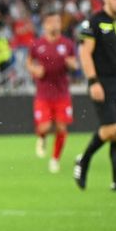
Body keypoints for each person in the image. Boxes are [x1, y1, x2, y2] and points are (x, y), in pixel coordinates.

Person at [73, 0, 116, 192]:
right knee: (110, 129)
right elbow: (84, 53)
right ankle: (84, 159)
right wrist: (93, 81)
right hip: (103, 82)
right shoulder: (95, 22)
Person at [27, 11, 77, 173]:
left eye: (57, 21)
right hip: (43, 94)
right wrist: (35, 70)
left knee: (62, 128)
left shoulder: (67, 44)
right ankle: (41, 138)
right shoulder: (37, 45)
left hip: (62, 93)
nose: (54, 25)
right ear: (44, 25)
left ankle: (55, 159)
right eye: (50, 22)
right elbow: (29, 63)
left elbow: (75, 65)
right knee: (45, 127)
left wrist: (72, 65)